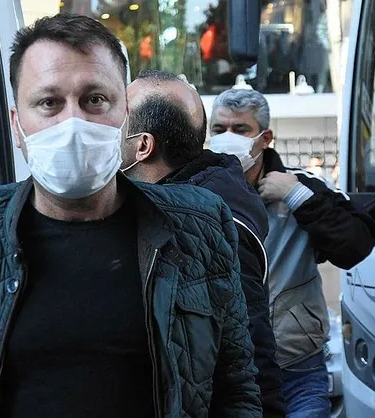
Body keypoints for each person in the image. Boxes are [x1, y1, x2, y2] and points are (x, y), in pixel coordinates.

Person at [0, 14, 262, 417]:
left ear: (125, 118)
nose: (73, 122)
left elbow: (237, 387)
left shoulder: (199, 227)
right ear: (17, 125)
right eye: (49, 102)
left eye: (95, 100)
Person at [122, 69, 285, 417]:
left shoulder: (214, 224)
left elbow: (250, 356)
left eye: (116, 117)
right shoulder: (175, 206)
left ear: (142, 145)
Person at [208, 88, 375, 417]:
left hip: (298, 369)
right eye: (219, 129)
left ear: (265, 137)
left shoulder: (301, 187)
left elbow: (355, 244)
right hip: (228, 371)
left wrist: (296, 196)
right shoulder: (197, 192)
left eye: (240, 129)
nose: (228, 137)